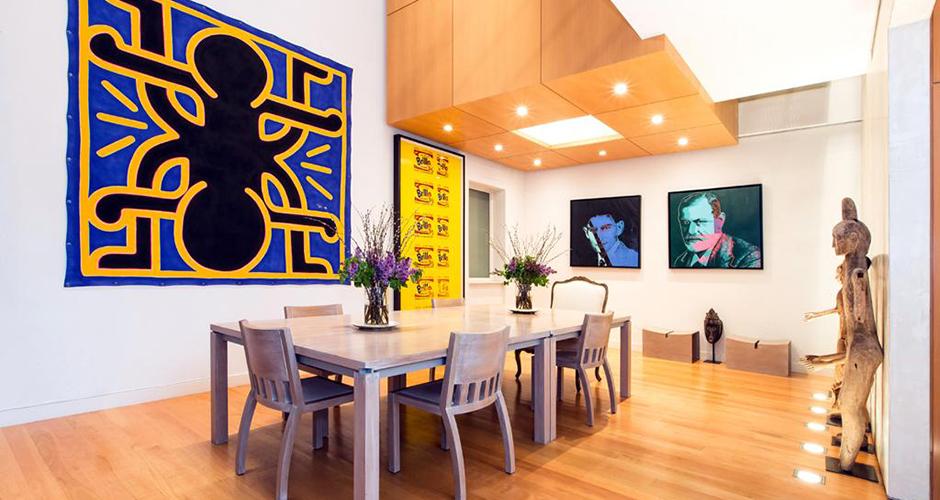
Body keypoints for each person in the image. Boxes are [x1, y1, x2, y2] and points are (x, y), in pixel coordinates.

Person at [673, 192, 761, 268]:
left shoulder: (748, 257)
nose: (691, 231)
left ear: (719, 221)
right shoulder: (681, 260)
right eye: (685, 222)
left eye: (701, 221)